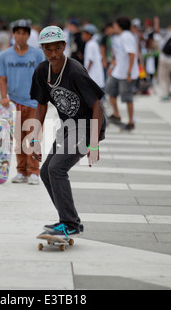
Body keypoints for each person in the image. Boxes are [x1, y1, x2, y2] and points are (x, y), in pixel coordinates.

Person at [30, 25, 105, 240]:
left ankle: (69, 223)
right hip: (69, 127)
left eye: (56, 49)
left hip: (88, 124)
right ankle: (68, 220)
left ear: (63, 46)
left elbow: (97, 106)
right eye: (47, 50)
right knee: (46, 172)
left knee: (57, 169)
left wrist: (93, 143)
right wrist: (35, 138)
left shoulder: (74, 70)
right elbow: (42, 105)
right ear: (42, 49)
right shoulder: (41, 71)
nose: (52, 54)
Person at [0, 19, 45, 185]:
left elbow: (44, 77)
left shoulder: (37, 54)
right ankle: (21, 171)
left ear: (29, 35)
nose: (21, 36)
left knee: (32, 138)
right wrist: (3, 97)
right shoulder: (4, 55)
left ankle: (34, 172)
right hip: (14, 104)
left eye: (24, 33)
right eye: (18, 33)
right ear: (13, 34)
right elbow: (2, 78)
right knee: (17, 139)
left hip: (33, 102)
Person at [105, 16, 139, 131]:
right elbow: (119, 54)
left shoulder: (127, 36)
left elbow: (132, 55)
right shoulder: (119, 37)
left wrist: (129, 72)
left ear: (119, 25)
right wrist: (112, 66)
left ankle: (130, 122)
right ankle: (116, 115)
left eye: (115, 25)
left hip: (126, 73)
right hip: (118, 71)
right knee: (110, 92)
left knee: (127, 97)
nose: (113, 26)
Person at [157, 26, 171, 100]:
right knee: (168, 77)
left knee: (162, 77)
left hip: (164, 59)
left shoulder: (167, 35)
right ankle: (169, 92)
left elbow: (157, 30)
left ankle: (165, 94)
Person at [81, 24, 105, 89]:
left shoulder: (90, 44)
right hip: (96, 76)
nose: (82, 36)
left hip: (93, 75)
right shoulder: (94, 43)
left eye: (83, 34)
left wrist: (86, 73)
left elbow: (90, 60)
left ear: (89, 35)